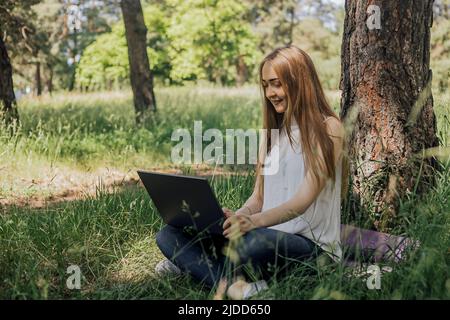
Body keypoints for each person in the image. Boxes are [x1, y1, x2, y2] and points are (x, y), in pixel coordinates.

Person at [155, 45, 345, 299]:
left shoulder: (329, 128)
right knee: (168, 234)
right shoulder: (271, 136)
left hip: (310, 247)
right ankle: (234, 288)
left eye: (276, 84)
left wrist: (252, 223)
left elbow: (303, 201)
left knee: (251, 244)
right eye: (265, 85)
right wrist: (239, 216)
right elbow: (258, 198)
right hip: (263, 233)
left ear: (299, 81)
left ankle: (192, 264)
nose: (270, 93)